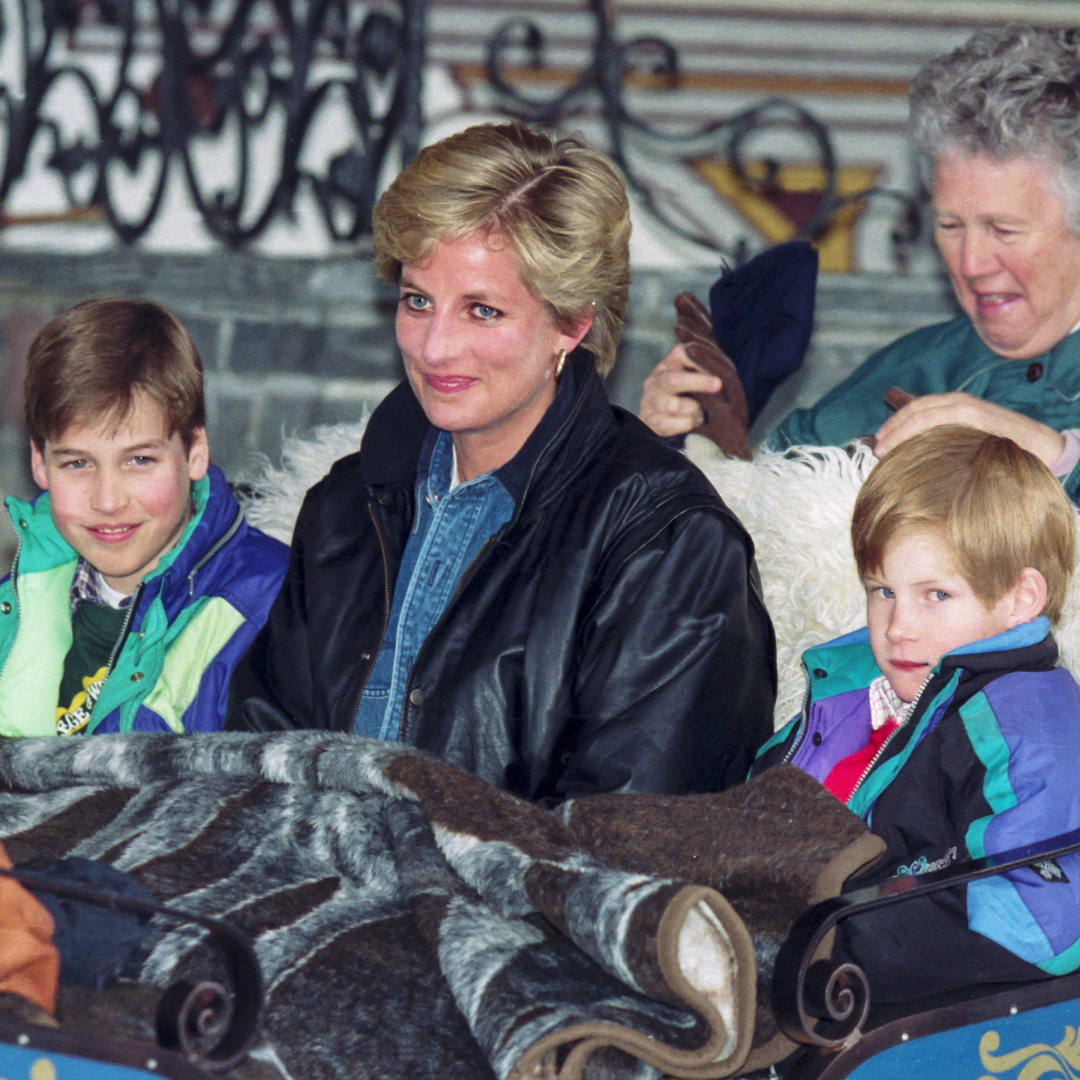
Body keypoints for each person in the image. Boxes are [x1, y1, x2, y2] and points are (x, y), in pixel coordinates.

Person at [225, 122, 776, 803]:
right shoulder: (344, 506)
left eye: (482, 311)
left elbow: (637, 839)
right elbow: (255, 759)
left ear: (572, 323)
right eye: (417, 301)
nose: (435, 348)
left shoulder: (670, 543)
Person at [640, 25, 1080, 499]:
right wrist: (666, 445)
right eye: (950, 226)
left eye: (1003, 230)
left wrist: (1052, 454)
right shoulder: (915, 366)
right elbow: (752, 527)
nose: (970, 264)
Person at [754, 426, 1080, 1001]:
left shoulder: (1030, 722)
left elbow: (1040, 916)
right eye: (882, 590)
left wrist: (823, 950)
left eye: (936, 595)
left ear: (1020, 599)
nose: (898, 627)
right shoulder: (848, 689)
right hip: (768, 949)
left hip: (871, 1012)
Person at [0, 299, 289, 736]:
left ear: (195, 451)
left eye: (138, 460)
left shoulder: (278, 605)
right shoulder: (13, 604)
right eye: (77, 463)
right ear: (39, 463)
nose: (109, 500)